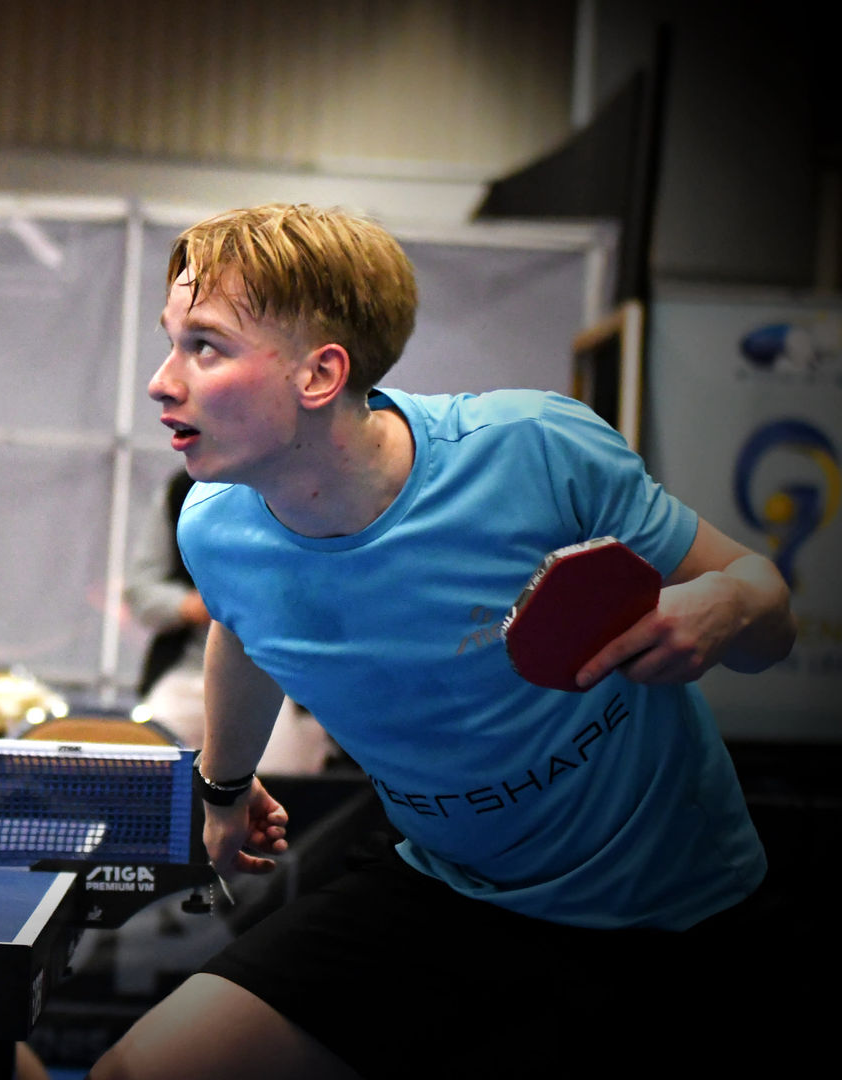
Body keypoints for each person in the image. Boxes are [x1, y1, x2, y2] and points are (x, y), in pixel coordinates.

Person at [85, 203, 798, 1079]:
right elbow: (245, 627)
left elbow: (769, 617)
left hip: (678, 914)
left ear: (321, 374)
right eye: (172, 342)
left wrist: (728, 604)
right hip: (450, 890)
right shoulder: (214, 525)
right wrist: (224, 788)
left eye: (205, 346)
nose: (161, 382)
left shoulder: (535, 450)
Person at [125, 467, 333, 774]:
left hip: (280, 675)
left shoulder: (312, 487)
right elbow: (141, 588)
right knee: (145, 760)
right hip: (188, 674)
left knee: (282, 774)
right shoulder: (181, 491)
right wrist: (194, 606)